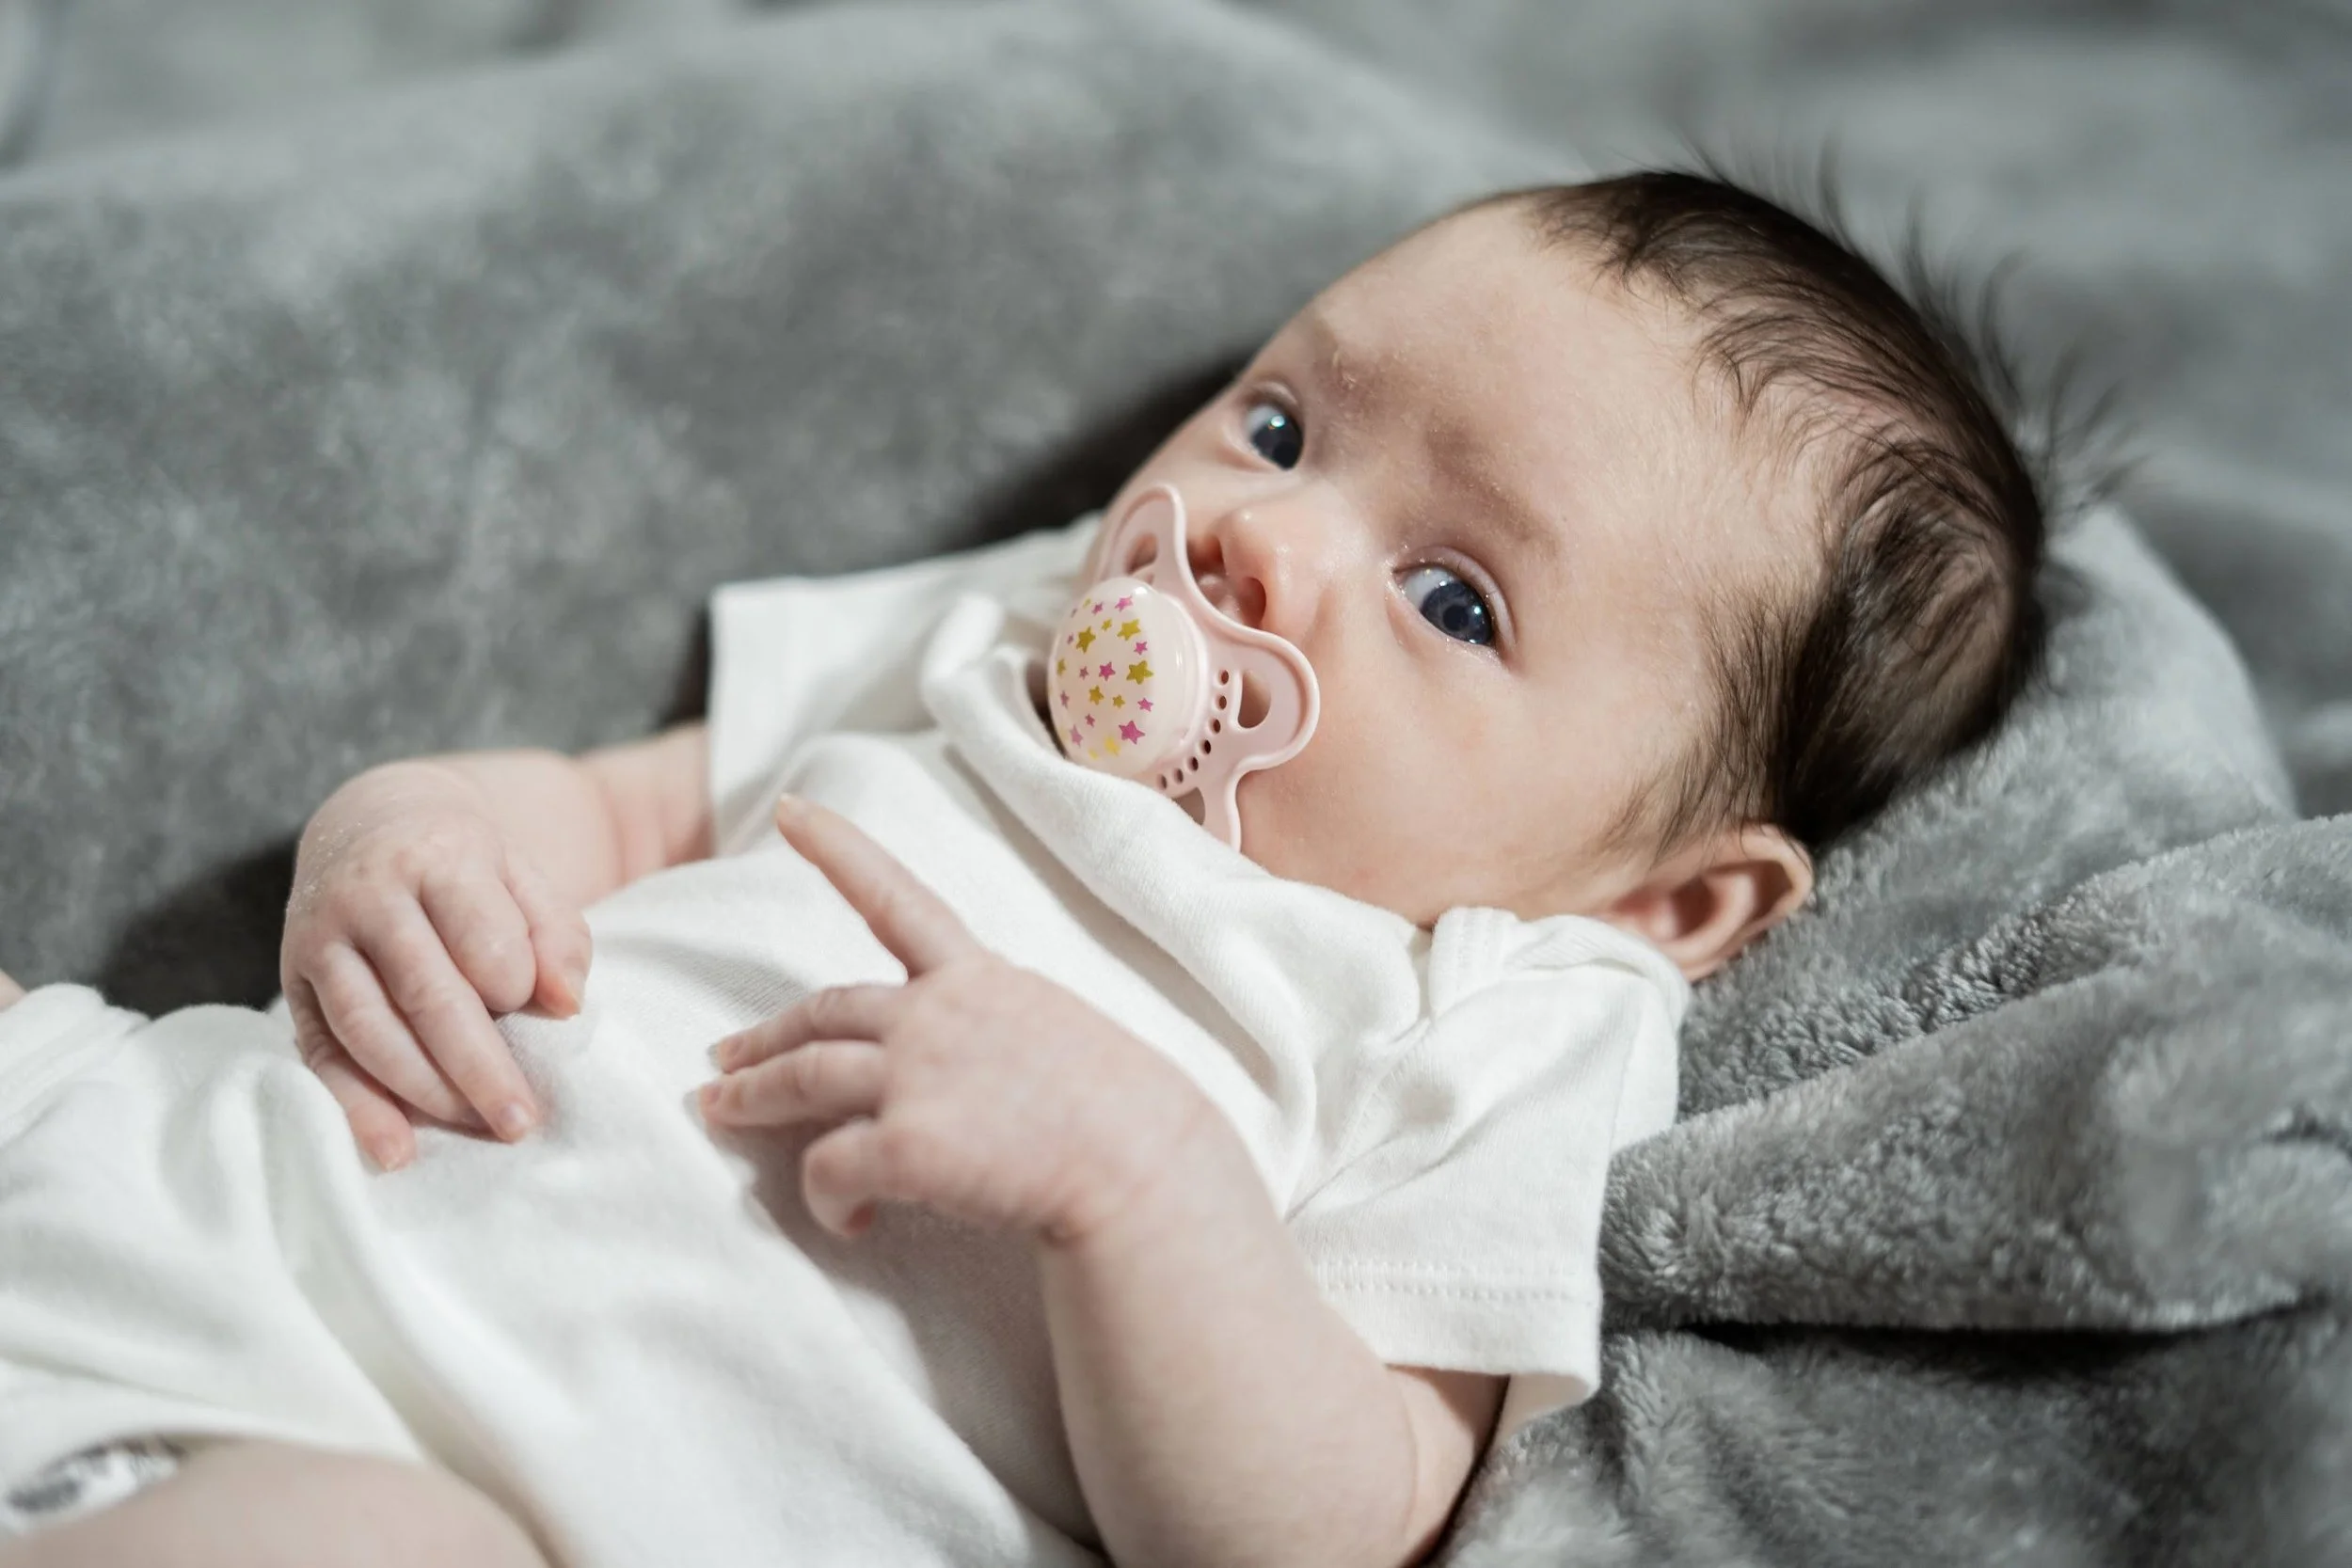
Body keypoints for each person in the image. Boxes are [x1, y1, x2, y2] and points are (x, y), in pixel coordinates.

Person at [0, 171, 2046, 1568]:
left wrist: (1131, 1187)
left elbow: (1334, 1518)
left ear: (1667, 901)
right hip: (164, 1151)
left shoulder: (1504, 1004)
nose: (1261, 542)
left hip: (450, 1472)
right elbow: (615, 804)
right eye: (1273, 424)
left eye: (1446, 595)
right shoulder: (1004, 641)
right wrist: (410, 829)